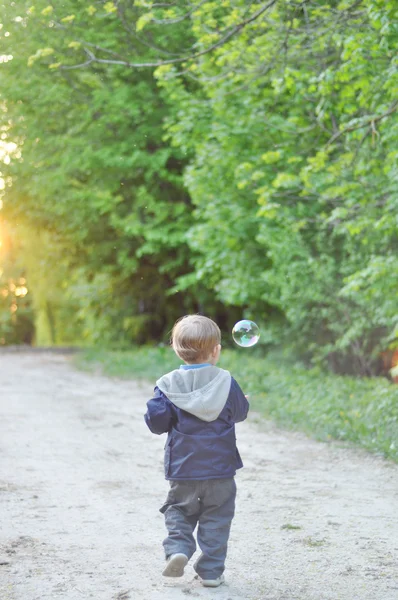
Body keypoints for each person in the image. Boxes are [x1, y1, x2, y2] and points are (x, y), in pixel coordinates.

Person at [144, 314, 249, 588]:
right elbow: (239, 413)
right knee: (217, 518)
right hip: (221, 471)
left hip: (184, 470)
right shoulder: (226, 381)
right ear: (216, 351)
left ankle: (179, 547)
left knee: (179, 509)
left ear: (177, 350)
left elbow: (157, 423)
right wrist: (241, 402)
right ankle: (211, 571)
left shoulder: (167, 385)